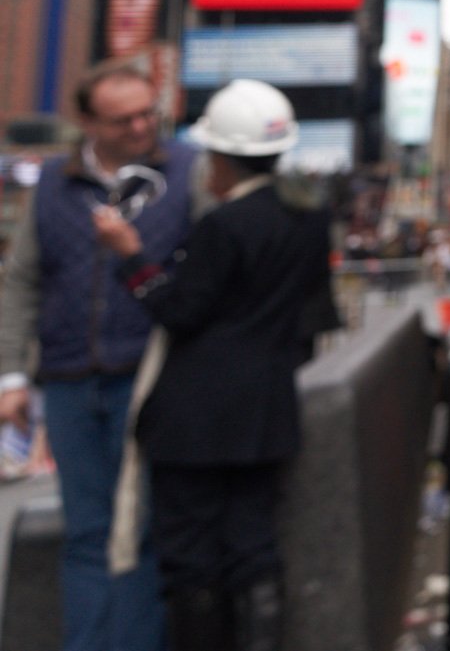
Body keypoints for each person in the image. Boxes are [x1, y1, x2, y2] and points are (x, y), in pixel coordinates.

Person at [94, 80, 333, 651]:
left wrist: (130, 257)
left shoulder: (224, 226)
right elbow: (313, 318)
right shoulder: (305, 221)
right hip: (266, 414)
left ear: (221, 158)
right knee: (253, 548)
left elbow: (178, 310)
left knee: (190, 559)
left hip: (194, 423)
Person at [0, 50, 206, 651]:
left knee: (139, 530)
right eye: (124, 121)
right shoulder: (56, 185)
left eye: (148, 114)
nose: (141, 128)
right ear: (89, 124)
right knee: (87, 532)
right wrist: (11, 375)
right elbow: (24, 279)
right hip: (68, 379)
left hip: (150, 376)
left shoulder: (188, 171)